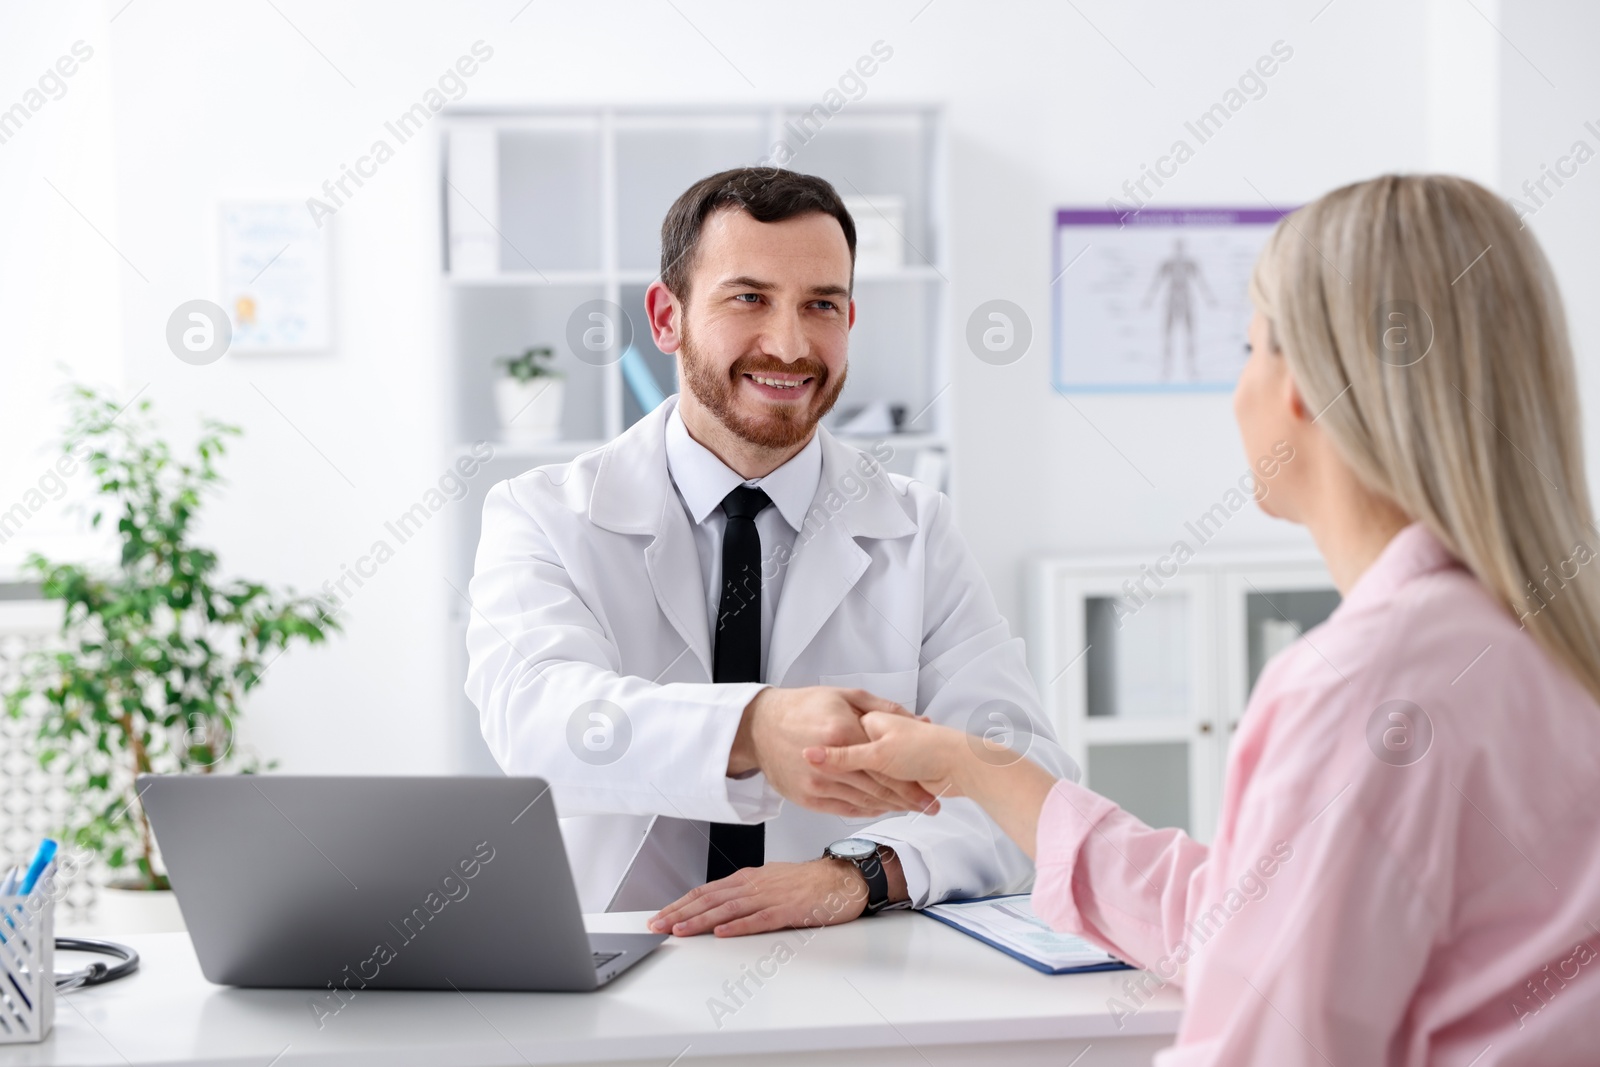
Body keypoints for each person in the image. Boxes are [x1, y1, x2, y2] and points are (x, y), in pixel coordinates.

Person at [807, 174, 1600, 1063]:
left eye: (1250, 346)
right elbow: (1244, 912)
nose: (1239, 388)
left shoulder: (1370, 683)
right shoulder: (1543, 638)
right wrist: (971, 766)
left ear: (1302, 386)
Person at [464, 167, 1073, 938]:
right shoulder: (544, 514)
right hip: (613, 958)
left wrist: (855, 872)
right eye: (748, 298)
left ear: (851, 318)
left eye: (820, 305)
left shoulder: (915, 528)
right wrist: (753, 729)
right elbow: (537, 722)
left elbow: (1021, 773)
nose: (788, 345)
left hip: (845, 962)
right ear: (666, 316)